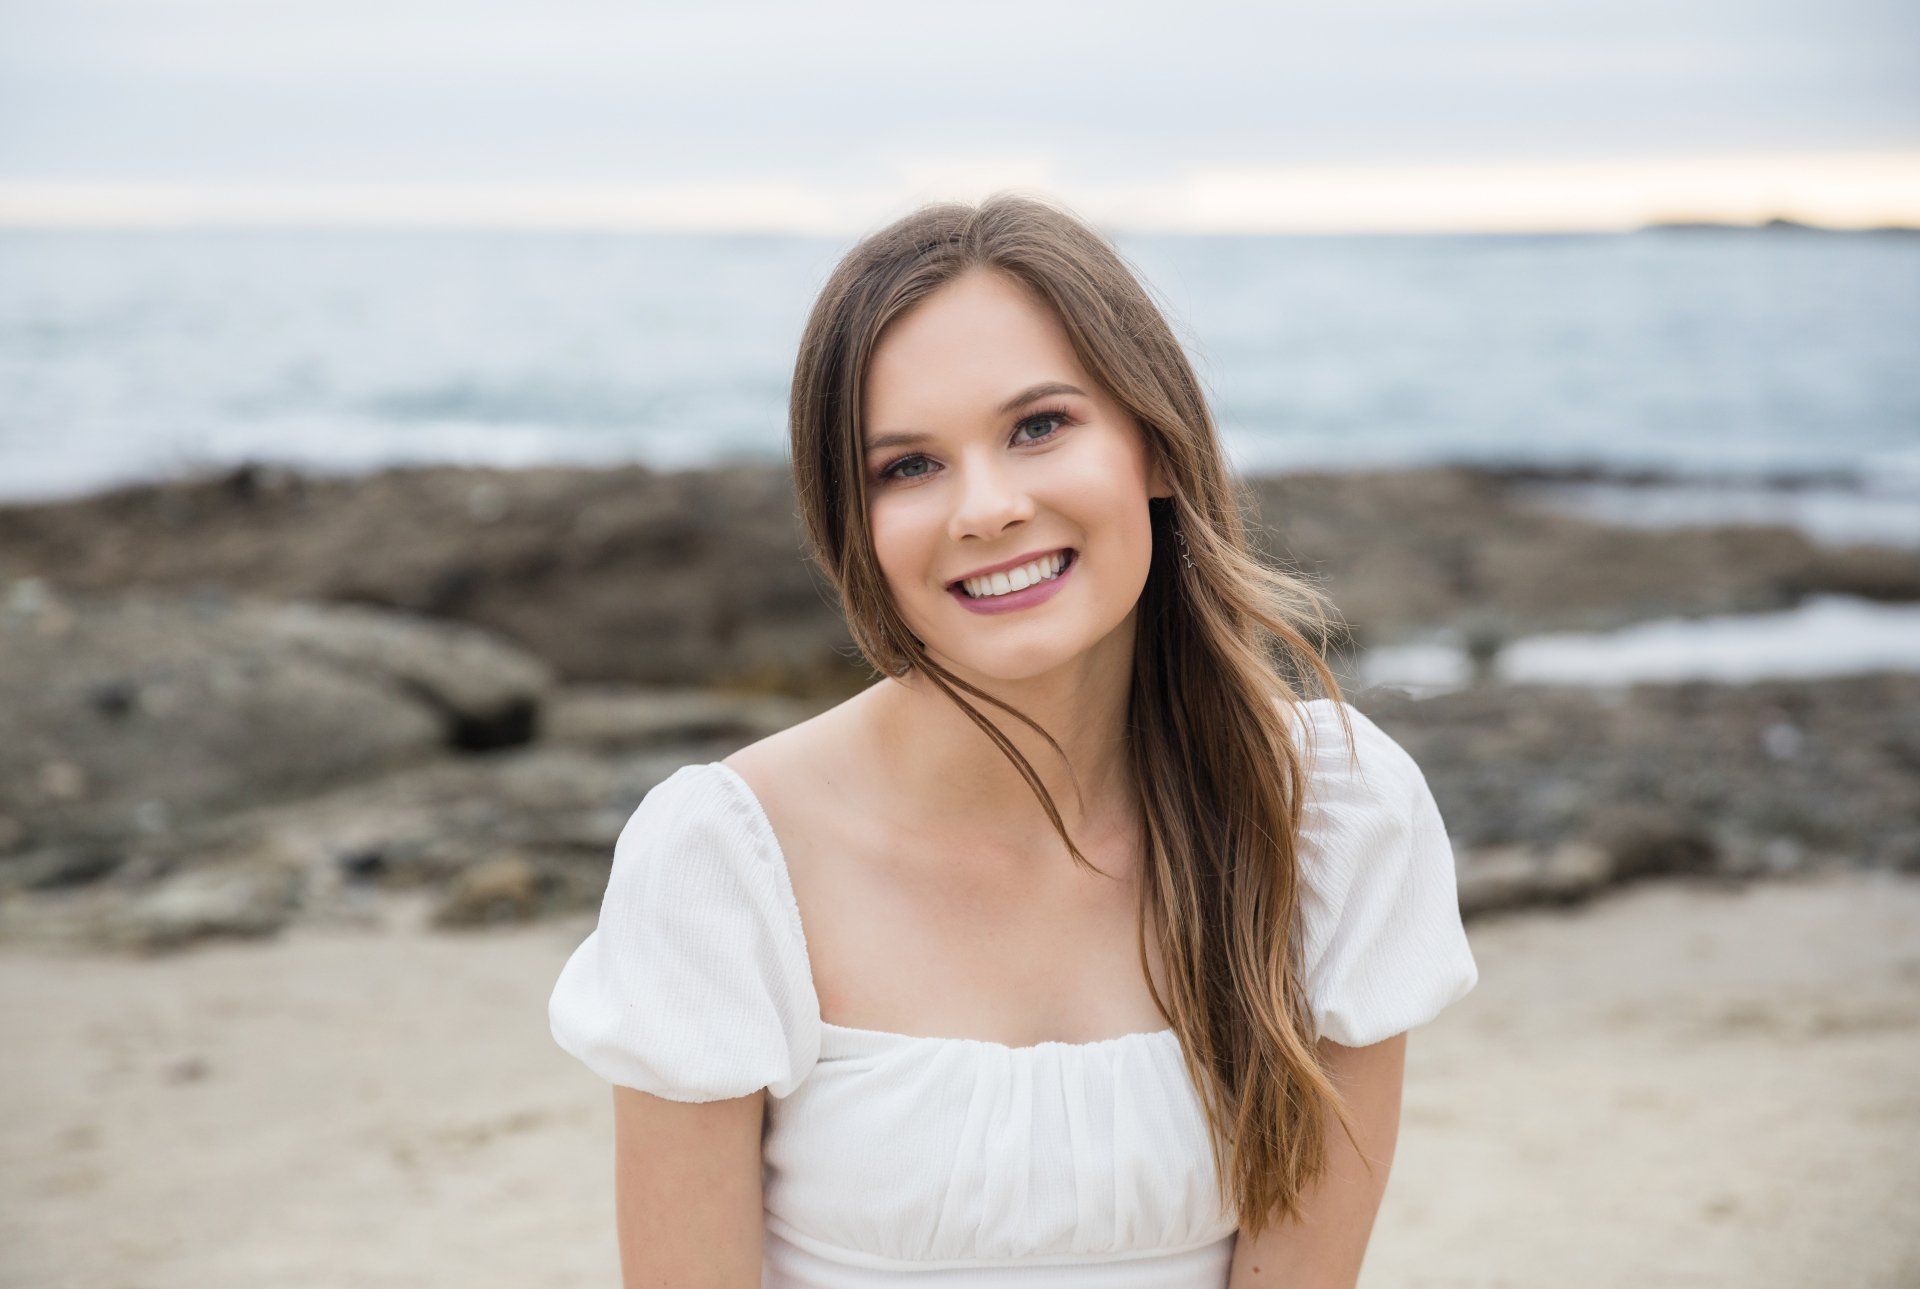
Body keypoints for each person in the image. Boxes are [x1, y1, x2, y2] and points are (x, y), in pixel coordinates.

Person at [548, 193, 1479, 1287]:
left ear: (1157, 446)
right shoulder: (726, 858)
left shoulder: (1328, 810)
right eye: (908, 466)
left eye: (1039, 426)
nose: (986, 508)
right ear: (854, 523)